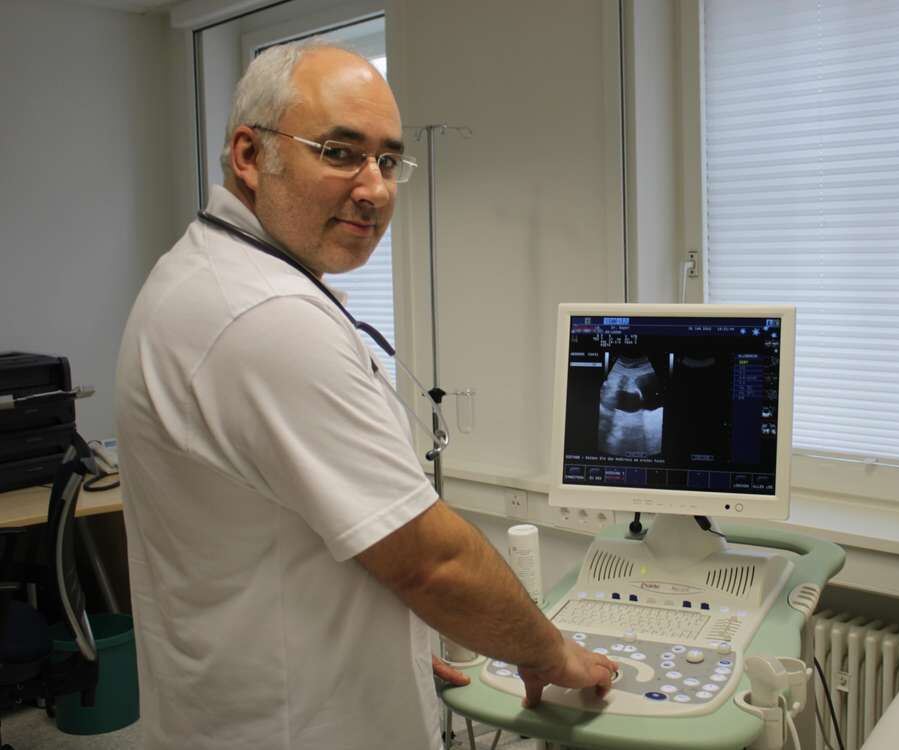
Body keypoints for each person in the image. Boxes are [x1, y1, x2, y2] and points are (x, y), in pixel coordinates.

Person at [115, 41, 615, 750]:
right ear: (250, 155)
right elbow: (430, 561)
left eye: (387, 161)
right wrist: (549, 652)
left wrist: (390, 645)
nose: (374, 188)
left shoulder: (205, 273)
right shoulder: (265, 318)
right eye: (340, 153)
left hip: (253, 697)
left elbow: (298, 522)